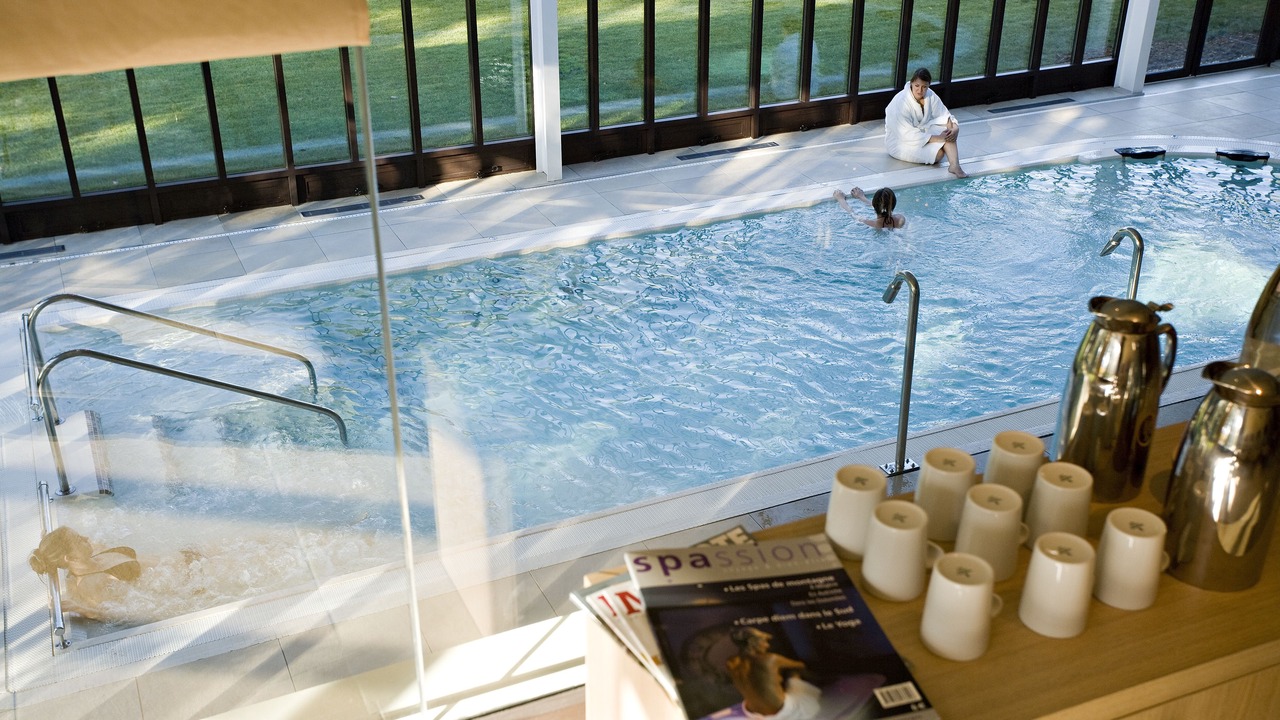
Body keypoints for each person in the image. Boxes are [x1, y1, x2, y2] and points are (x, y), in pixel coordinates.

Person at [29, 526, 141, 621]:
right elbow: (121, 614)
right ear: (70, 558)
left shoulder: (92, 552)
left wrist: (49, 545)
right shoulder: (91, 584)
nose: (86, 538)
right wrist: (81, 609)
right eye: (79, 540)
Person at [884, 67, 968, 178]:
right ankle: (947, 153)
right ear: (911, 83)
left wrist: (955, 128)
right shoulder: (900, 103)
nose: (920, 90)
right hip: (900, 142)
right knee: (939, 155)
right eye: (917, 86)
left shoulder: (930, 94)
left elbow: (945, 115)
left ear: (928, 85)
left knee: (949, 130)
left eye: (924, 87)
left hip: (921, 132)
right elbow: (906, 134)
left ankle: (955, 165)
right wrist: (938, 138)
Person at [725, 627, 821, 719]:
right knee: (794, 670)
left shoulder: (731, 662)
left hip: (752, 713)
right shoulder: (770, 659)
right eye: (764, 641)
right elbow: (800, 665)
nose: (767, 645)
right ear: (752, 642)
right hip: (783, 712)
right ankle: (822, 680)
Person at [833, 186, 906, 229]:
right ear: (894, 204)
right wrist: (862, 197)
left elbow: (852, 213)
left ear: (874, 204)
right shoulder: (901, 219)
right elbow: (883, 208)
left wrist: (841, 199)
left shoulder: (871, 224)